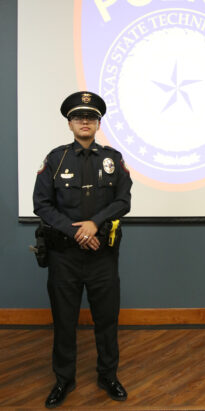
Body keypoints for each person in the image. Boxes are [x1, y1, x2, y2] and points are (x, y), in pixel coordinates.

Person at [33, 91, 132, 408]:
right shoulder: (55, 158)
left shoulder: (113, 159)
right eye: (78, 117)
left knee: (107, 321)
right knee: (64, 321)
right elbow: (42, 204)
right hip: (65, 257)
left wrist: (95, 223)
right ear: (69, 122)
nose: (85, 121)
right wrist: (76, 231)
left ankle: (108, 376)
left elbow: (122, 201)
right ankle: (64, 380)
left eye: (90, 117)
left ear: (98, 122)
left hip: (103, 255)